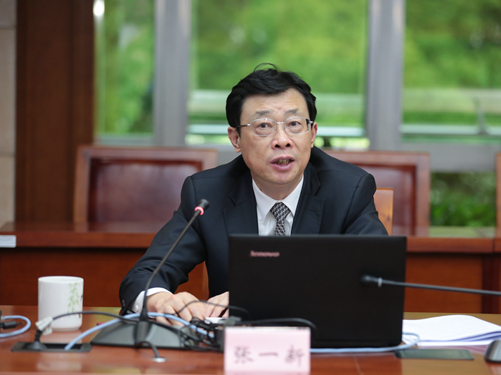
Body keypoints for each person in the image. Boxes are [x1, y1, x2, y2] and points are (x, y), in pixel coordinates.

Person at [119, 64, 388, 324]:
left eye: (294, 124)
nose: (282, 140)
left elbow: (377, 279)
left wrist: (257, 298)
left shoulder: (348, 190)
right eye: (263, 126)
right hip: (233, 348)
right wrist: (157, 300)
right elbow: (146, 274)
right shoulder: (207, 194)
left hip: (321, 344)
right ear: (235, 139)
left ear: (312, 133)